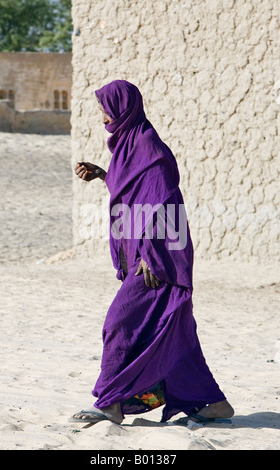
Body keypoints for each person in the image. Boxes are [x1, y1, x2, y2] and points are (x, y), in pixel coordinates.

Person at [70, 80, 234, 426]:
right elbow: (135, 196)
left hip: (157, 263)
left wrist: (153, 255)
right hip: (146, 258)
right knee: (173, 332)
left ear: (123, 109)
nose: (102, 117)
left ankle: (110, 403)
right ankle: (214, 404)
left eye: (106, 110)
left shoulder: (149, 147)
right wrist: (103, 175)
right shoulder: (129, 148)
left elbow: (166, 204)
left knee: (120, 323)